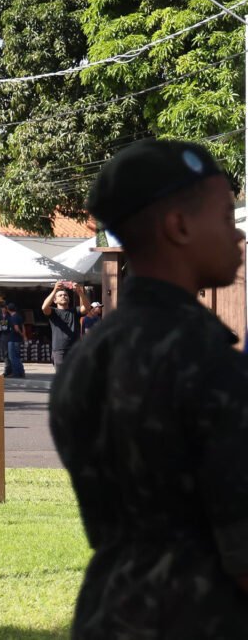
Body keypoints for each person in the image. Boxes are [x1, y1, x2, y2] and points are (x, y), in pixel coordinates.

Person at [51, 138, 248, 635]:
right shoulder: (207, 362)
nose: (239, 237)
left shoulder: (87, 357)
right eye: (227, 218)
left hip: (108, 609)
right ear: (179, 227)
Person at [42, 280, 88, 368]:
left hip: (75, 349)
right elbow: (44, 307)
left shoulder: (75, 311)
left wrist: (79, 291)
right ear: (55, 300)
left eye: (65, 295)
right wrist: (55, 290)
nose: (63, 296)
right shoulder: (53, 312)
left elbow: (87, 307)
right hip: (59, 350)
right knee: (62, 378)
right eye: (60, 295)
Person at [0, 302, 25, 377]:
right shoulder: (18, 316)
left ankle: (15, 372)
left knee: (12, 356)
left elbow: (16, 328)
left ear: (8, 309)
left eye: (5, 308)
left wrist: (21, 334)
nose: (3, 309)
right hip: (14, 338)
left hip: (12, 338)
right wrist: (23, 335)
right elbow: (22, 326)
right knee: (16, 356)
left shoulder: (11, 317)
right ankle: (21, 372)